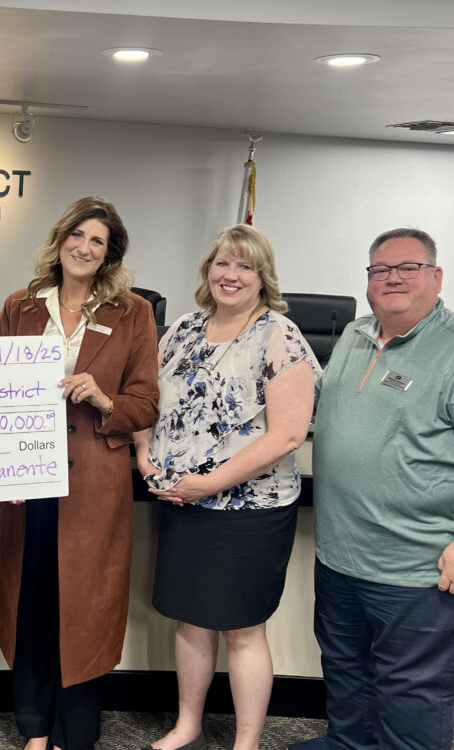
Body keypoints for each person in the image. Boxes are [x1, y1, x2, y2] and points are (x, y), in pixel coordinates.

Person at [134, 224, 319, 750]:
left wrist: (209, 483)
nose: (231, 275)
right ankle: (187, 726)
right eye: (222, 263)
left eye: (245, 265)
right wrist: (144, 456)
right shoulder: (182, 328)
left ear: (263, 277)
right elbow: (147, 398)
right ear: (207, 270)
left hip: (250, 510)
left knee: (242, 630)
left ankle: (246, 742)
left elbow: (287, 434)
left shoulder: (279, 334)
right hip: (183, 503)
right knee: (191, 621)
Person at [289, 228, 454, 750]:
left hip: (418, 569)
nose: (393, 278)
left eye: (409, 267)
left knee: (413, 693)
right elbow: (315, 400)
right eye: (380, 269)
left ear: (436, 276)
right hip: (341, 557)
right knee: (347, 672)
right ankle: (349, 744)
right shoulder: (354, 334)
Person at [0, 196, 159, 750]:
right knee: (32, 598)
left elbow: (146, 403)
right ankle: (35, 728)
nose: (85, 248)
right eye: (78, 235)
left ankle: (75, 731)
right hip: (27, 477)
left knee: (85, 604)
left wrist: (105, 398)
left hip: (93, 480)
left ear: (109, 254)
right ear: (60, 238)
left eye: (98, 241)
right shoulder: (20, 306)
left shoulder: (132, 312)